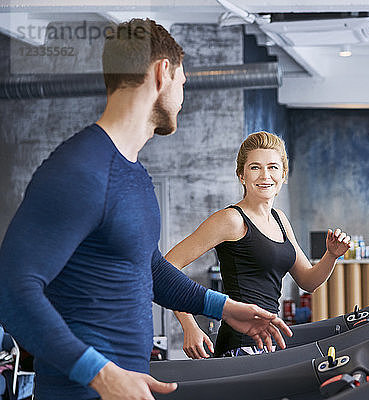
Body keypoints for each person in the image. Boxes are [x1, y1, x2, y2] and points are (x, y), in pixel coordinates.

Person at [0, 19, 291, 400]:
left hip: (130, 386)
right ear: (161, 72)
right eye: (183, 83)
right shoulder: (79, 169)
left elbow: (148, 266)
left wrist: (224, 307)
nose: (183, 98)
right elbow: (11, 291)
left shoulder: (133, 173)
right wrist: (100, 374)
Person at [164, 131, 351, 358]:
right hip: (238, 346)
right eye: (255, 167)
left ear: (283, 174)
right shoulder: (231, 219)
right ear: (242, 175)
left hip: (270, 342)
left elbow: (308, 281)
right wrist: (189, 324)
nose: (265, 175)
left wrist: (331, 255)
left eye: (273, 167)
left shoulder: (280, 219)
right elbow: (168, 266)